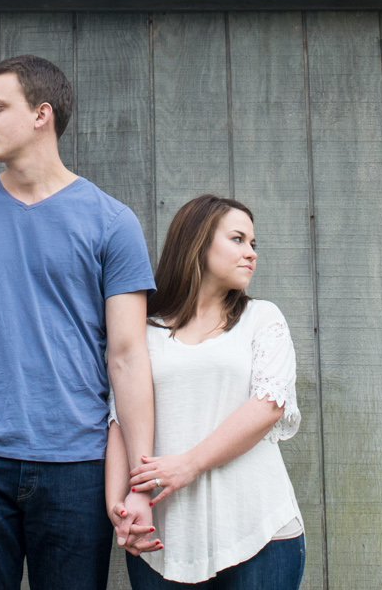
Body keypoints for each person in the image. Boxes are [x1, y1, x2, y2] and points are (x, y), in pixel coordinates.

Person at [0, 54, 159, 590]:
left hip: (78, 466)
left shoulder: (113, 223)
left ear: (41, 115)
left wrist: (139, 481)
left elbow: (128, 354)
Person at [105, 194, 305, 589]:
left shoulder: (262, 319)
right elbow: (118, 423)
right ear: (197, 242)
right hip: (163, 539)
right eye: (237, 239)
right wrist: (121, 504)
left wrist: (189, 463)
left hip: (260, 530)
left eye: (253, 244)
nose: (251, 253)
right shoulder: (143, 332)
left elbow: (269, 405)